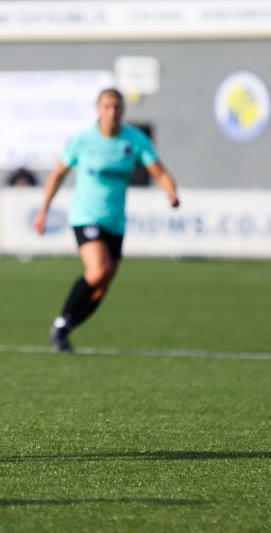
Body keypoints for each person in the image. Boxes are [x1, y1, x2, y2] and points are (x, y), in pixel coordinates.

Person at [34, 88, 180, 353]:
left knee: (102, 286)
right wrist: (44, 210)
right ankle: (61, 322)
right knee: (98, 270)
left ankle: (64, 328)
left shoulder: (134, 140)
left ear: (123, 110)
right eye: (107, 106)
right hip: (85, 216)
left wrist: (171, 191)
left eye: (117, 107)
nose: (113, 112)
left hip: (115, 222)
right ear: (98, 109)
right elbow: (58, 174)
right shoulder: (83, 140)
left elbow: (159, 172)